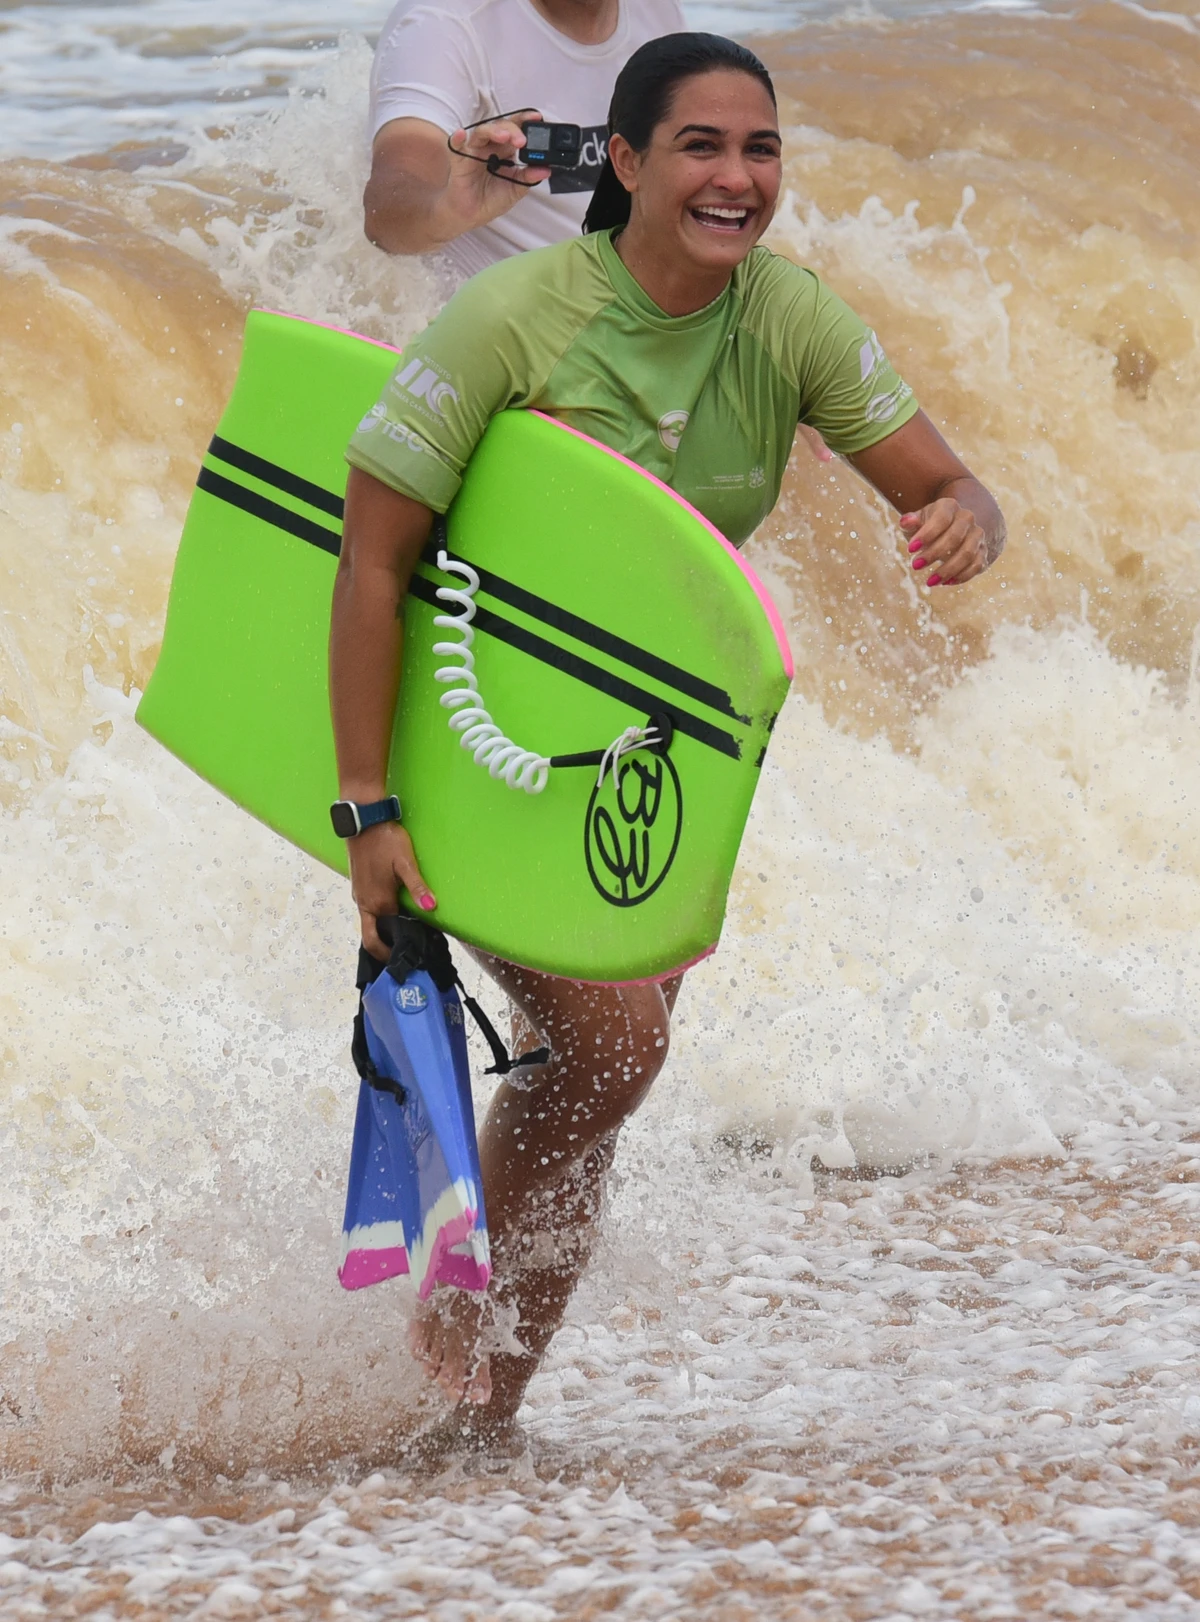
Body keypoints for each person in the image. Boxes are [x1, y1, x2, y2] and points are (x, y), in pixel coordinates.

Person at [331, 32, 1005, 1441]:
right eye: (700, 145)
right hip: (473, 727)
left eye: (759, 149)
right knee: (610, 1052)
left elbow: (943, 477)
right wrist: (365, 806)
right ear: (626, 162)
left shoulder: (792, 322)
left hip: (647, 763)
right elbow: (373, 557)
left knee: (592, 1098)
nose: (736, 175)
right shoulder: (517, 319)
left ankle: (470, 1422)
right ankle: (437, 1378)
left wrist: (962, 516)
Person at [363, 0, 684, 276]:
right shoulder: (439, 25)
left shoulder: (657, 11)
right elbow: (387, 208)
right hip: (512, 326)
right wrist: (447, 210)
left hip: (630, 307)